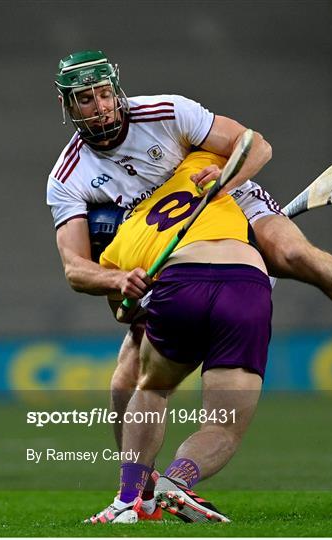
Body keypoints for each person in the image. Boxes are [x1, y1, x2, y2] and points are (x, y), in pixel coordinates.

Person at [47, 50, 332, 445]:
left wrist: (225, 177)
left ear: (116, 90)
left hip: (228, 200)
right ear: (68, 105)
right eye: (85, 99)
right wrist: (118, 278)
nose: (99, 107)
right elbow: (75, 267)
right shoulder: (68, 176)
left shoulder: (166, 112)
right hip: (163, 245)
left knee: (293, 254)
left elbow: (256, 146)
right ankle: (135, 490)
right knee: (126, 375)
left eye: (103, 93)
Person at [84, 150, 272, 524]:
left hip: (179, 290)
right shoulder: (194, 167)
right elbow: (253, 145)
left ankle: (128, 500)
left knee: (150, 389)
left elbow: (125, 314)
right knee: (222, 425)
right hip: (245, 283)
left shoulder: (118, 248)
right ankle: (178, 479)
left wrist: (143, 295)